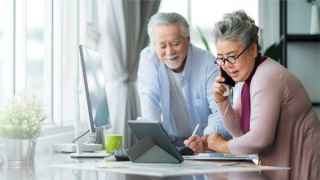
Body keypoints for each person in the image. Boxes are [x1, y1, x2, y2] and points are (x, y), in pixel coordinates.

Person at [185, 10, 320, 179]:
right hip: (277, 169)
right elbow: (240, 133)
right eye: (221, 58)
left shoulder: (267, 76)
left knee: (236, 174)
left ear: (254, 49)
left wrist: (222, 145)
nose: (226, 65)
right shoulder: (246, 79)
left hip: (302, 171)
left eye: (232, 57)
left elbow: (260, 139)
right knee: (216, 171)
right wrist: (222, 102)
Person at [138, 12, 231, 148]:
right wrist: (156, 140)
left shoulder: (208, 63)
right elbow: (149, 106)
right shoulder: (148, 59)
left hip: (205, 143)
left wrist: (204, 141)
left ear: (188, 40)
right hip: (170, 143)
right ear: (154, 45)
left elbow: (221, 112)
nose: (169, 52)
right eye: (162, 46)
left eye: (175, 43)